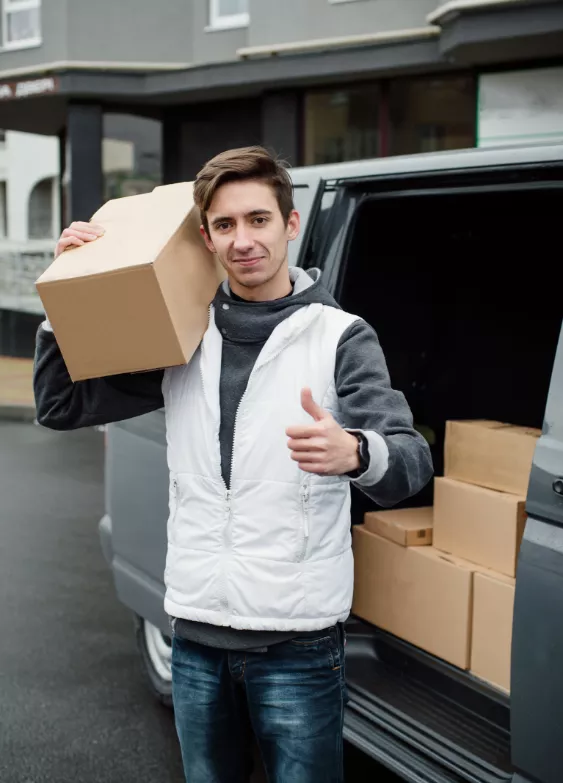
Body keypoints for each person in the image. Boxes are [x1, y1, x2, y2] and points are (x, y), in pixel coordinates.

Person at [34, 146, 433, 783]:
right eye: (225, 225)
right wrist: (70, 291)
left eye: (258, 220)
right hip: (195, 633)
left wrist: (355, 451)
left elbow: (411, 461)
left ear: (291, 225)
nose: (244, 240)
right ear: (207, 238)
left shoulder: (340, 336)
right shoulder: (180, 337)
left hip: (296, 643)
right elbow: (60, 403)